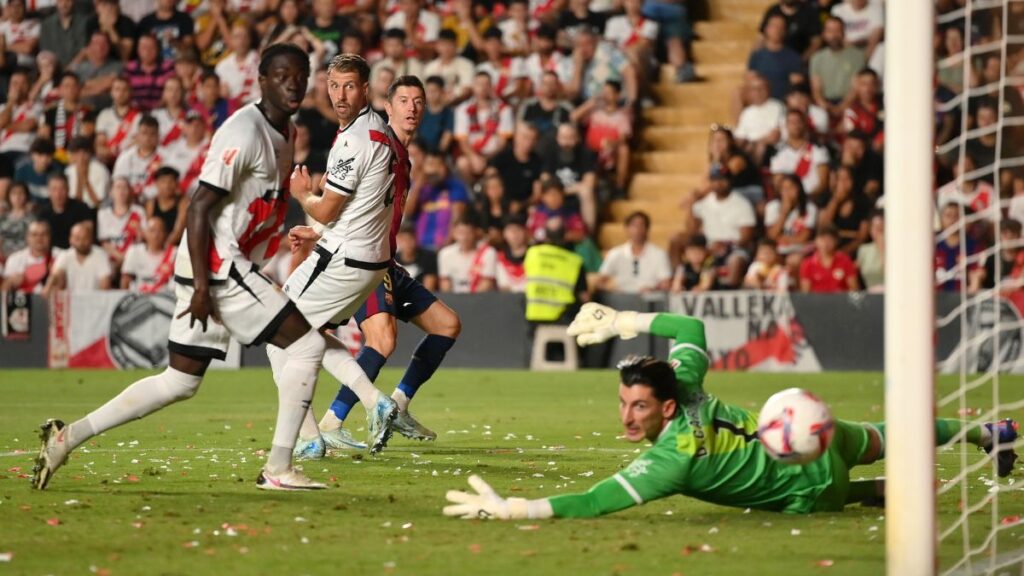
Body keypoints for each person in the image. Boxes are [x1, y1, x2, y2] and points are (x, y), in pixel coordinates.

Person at [32, 43, 331, 493]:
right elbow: (198, 206)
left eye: (301, 74)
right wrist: (202, 289)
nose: (293, 82)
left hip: (223, 265)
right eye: (283, 74)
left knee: (179, 381)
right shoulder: (244, 130)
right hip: (216, 265)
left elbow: (257, 207)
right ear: (262, 80)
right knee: (306, 347)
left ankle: (67, 437)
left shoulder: (285, 133)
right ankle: (279, 467)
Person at [442, 304, 1019, 520]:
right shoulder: (686, 383)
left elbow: (593, 501)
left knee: (850, 491)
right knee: (889, 435)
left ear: (665, 407)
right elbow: (689, 328)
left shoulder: (672, 461)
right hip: (815, 431)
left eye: (637, 406)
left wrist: (514, 508)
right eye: (624, 403)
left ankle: (877, 493)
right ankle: (986, 430)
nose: (626, 417)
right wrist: (621, 320)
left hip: (812, 490)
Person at [286, 74, 462, 456]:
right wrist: (317, 230)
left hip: (385, 259)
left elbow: (362, 209)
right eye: (403, 101)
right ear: (387, 107)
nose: (412, 108)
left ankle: (397, 405)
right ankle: (333, 421)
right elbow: (339, 197)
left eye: (418, 102)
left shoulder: (404, 157)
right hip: (361, 260)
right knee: (380, 340)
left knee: (447, 326)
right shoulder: (375, 144)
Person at [597, 211, 672, 294]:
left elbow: (666, 282)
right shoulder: (615, 253)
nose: (637, 229)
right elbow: (601, 281)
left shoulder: (659, 254)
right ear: (626, 228)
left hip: (649, 299)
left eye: (641, 225)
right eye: (634, 225)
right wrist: (612, 289)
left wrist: (653, 289)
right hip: (621, 299)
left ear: (647, 229)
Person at [44, 221, 112, 294]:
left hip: (95, 301)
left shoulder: (100, 255)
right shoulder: (65, 255)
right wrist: (48, 286)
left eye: (85, 238)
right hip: (70, 301)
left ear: (91, 239)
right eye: (77, 238)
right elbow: (55, 275)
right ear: (70, 239)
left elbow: (105, 284)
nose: (81, 242)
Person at [1, 220, 58, 294]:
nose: (39, 238)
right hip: (22, 303)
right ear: (27, 237)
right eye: (34, 234)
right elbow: (3, 292)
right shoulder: (14, 259)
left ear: (49, 236)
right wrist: (10, 282)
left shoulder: (61, 256)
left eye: (43, 234)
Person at [121, 217, 176, 293]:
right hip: (139, 298)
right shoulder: (134, 251)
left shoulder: (174, 253)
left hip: (164, 299)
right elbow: (126, 280)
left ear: (166, 234)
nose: (156, 235)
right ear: (145, 233)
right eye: (152, 231)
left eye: (160, 231)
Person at [38, 173, 92, 250]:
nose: (58, 194)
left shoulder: (81, 208)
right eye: (54, 189)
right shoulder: (43, 212)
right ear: (49, 191)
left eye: (62, 189)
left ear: (68, 189)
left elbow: (88, 235)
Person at [799, 225, 860, 293]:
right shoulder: (808, 264)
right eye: (822, 239)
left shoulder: (845, 261)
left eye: (829, 240)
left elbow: (854, 289)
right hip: (817, 302)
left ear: (836, 241)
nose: (825, 244)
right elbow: (806, 294)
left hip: (840, 301)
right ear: (815, 241)